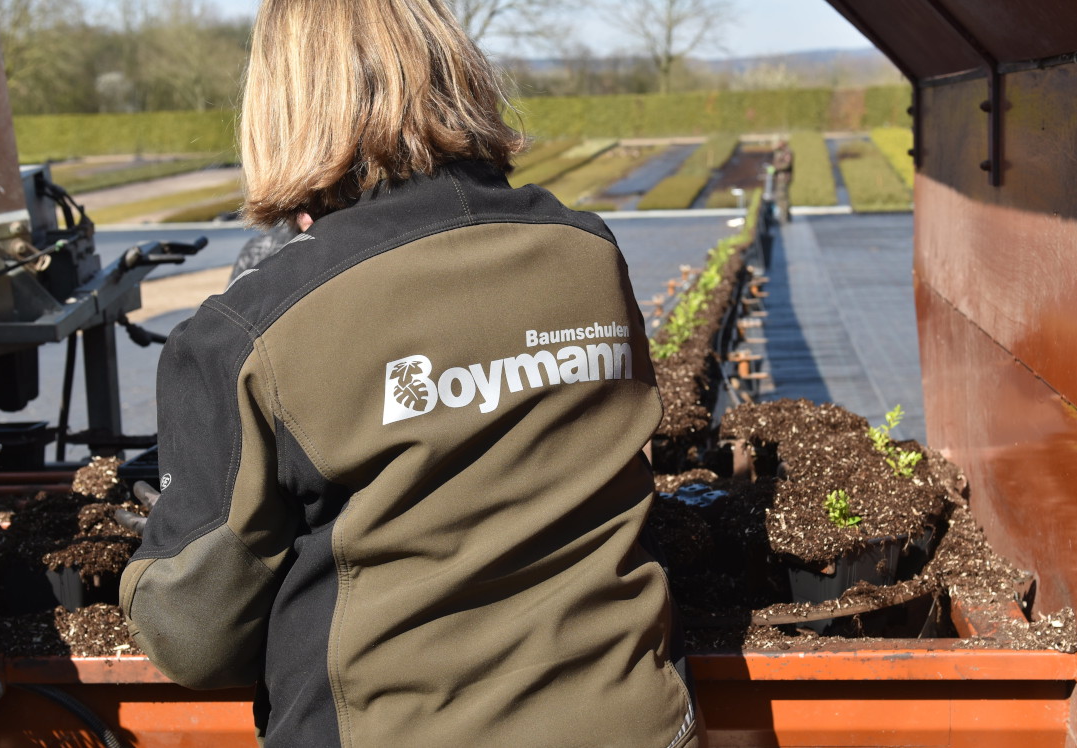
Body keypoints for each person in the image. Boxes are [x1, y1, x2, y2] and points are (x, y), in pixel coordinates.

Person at [118, 1, 703, 746]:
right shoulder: (585, 252)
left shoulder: (251, 332)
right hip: (640, 724)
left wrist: (149, 557)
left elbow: (196, 638)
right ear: (458, 72)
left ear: (280, 106)